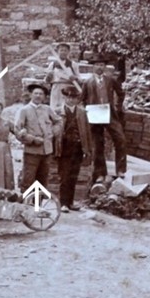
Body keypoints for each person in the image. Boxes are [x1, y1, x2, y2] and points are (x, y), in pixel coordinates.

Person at [82, 60, 127, 186]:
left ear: (105, 67)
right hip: (95, 113)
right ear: (93, 67)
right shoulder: (87, 82)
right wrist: (87, 110)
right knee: (98, 144)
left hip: (109, 113)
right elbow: (82, 98)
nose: (99, 67)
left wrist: (117, 106)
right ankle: (100, 173)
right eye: (97, 65)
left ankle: (121, 170)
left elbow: (121, 93)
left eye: (101, 65)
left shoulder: (110, 80)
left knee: (121, 139)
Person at [54, 83, 91, 212]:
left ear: (77, 99)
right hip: (64, 147)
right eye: (68, 97)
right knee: (64, 175)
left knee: (74, 175)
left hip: (78, 147)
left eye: (73, 98)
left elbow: (87, 131)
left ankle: (70, 202)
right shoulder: (57, 112)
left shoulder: (82, 112)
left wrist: (87, 149)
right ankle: (63, 203)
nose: (71, 100)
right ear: (64, 98)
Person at [16, 83, 59, 192]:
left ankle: (39, 202)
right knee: (28, 179)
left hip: (47, 151)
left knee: (43, 179)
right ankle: (27, 202)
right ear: (31, 95)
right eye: (36, 93)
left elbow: (59, 122)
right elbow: (18, 131)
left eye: (41, 94)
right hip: (32, 152)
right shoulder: (24, 110)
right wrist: (32, 139)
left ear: (44, 96)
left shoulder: (47, 109)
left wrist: (52, 132)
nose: (38, 96)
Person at [46, 43, 82, 110]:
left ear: (68, 52)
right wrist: (49, 76)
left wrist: (75, 78)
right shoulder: (53, 64)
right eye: (61, 50)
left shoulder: (73, 64)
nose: (63, 52)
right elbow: (46, 80)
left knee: (67, 108)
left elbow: (79, 79)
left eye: (65, 50)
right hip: (56, 89)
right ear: (57, 52)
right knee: (54, 108)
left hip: (68, 89)